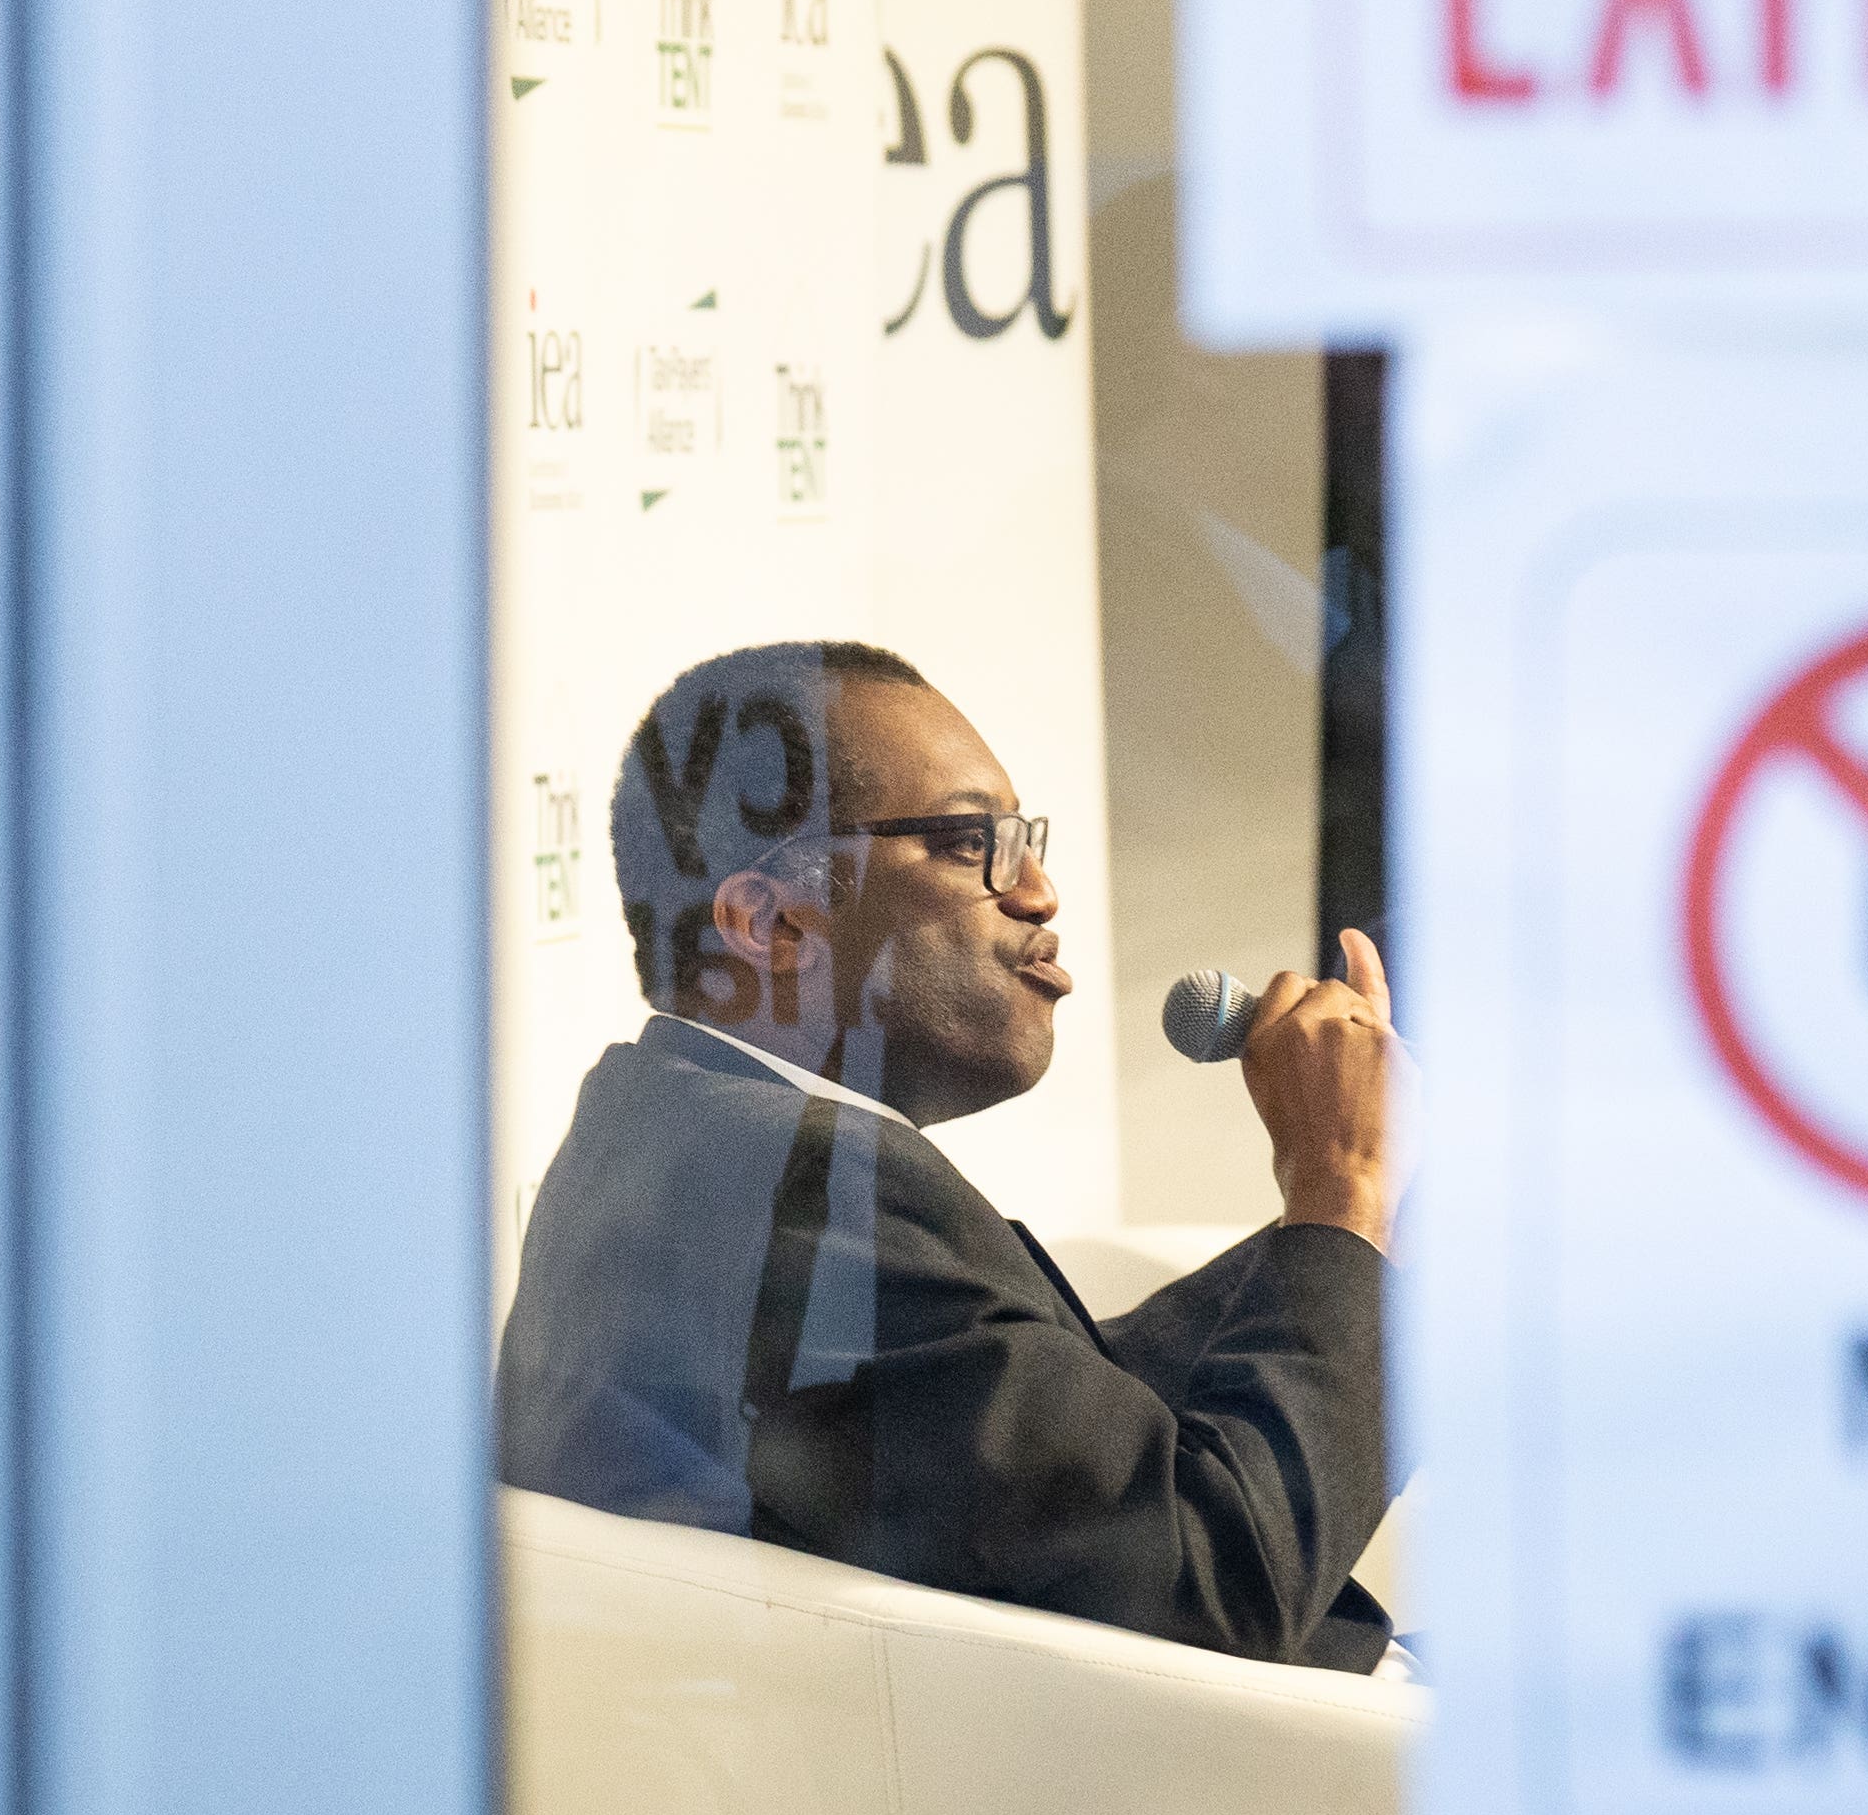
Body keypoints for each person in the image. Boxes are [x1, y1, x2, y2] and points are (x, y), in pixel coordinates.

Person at [494, 637, 1407, 1669]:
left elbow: (1045, 1421)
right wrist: (1340, 1189)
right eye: (976, 844)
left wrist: (1388, 1228)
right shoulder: (797, 1192)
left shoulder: (675, 1135)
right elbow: (1221, 1581)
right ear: (769, 921)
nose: (1041, 894)